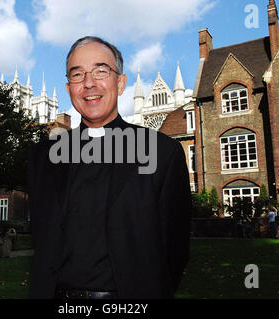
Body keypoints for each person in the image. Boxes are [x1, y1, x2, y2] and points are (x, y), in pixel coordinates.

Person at [27, 36, 191, 299]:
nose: (89, 83)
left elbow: (175, 248)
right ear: (69, 88)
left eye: (101, 71)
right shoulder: (42, 158)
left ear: (121, 82)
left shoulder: (162, 152)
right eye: (78, 75)